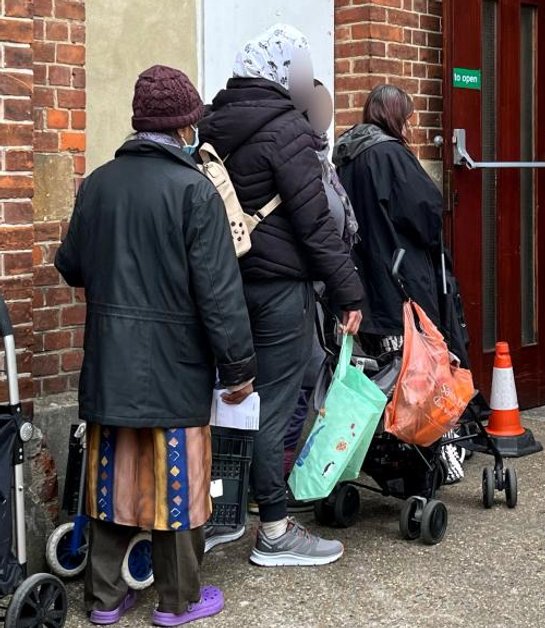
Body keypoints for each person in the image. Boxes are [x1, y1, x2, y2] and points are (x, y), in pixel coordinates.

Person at [55, 65, 255, 626]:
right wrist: (240, 368)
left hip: (110, 365)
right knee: (179, 484)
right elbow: (219, 294)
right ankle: (178, 602)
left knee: (111, 482)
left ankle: (103, 601)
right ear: (186, 128)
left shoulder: (98, 184)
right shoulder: (195, 191)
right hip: (177, 366)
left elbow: (70, 265)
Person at [199, 23, 364, 566]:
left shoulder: (211, 122)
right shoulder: (288, 130)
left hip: (223, 286)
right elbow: (315, 224)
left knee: (227, 401)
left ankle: (216, 518)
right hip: (278, 291)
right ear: (282, 71)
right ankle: (272, 528)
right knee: (272, 405)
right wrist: (349, 294)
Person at [333, 84, 467, 482]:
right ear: (395, 117)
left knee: (381, 370)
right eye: (408, 117)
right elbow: (426, 213)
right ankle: (428, 448)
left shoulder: (345, 155)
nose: (411, 125)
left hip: (363, 280)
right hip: (400, 275)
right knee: (418, 366)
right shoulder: (390, 154)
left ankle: (384, 453)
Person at [281, 78, 360, 482]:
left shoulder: (323, 160)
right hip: (297, 289)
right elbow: (320, 228)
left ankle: (283, 474)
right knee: (297, 383)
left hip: (319, 291)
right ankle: (273, 483)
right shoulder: (301, 162)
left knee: (308, 379)